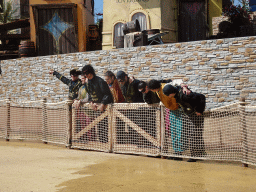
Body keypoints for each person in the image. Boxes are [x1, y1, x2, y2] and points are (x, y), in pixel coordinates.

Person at [148, 79, 190, 161]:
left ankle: (180, 152)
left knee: (180, 131)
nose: (152, 91)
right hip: (171, 110)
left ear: (154, 88)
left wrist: (183, 86)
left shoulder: (165, 87)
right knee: (173, 131)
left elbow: (177, 81)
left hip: (178, 109)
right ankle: (176, 151)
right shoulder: (158, 91)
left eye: (151, 89)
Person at [163, 84, 206, 162]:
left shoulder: (184, 95)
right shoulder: (178, 92)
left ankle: (196, 155)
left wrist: (199, 110)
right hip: (189, 115)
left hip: (196, 116)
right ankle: (198, 154)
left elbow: (201, 97)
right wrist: (184, 86)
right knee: (192, 135)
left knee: (195, 135)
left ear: (171, 93)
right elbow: (179, 84)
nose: (168, 96)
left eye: (168, 95)